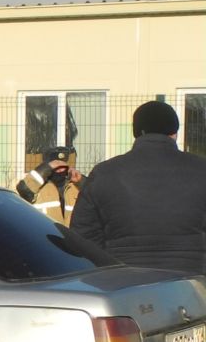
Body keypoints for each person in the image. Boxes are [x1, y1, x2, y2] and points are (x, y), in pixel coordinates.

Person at [68, 100, 206, 275]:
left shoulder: (105, 173)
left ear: (136, 133)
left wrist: (107, 272)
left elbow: (83, 236)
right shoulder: (201, 170)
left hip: (125, 283)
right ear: (175, 132)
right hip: (191, 283)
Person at [15, 144, 82, 225]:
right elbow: (23, 189)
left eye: (63, 165)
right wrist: (46, 167)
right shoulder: (38, 188)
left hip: (70, 236)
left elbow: (95, 195)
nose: (61, 170)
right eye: (56, 166)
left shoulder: (74, 188)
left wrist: (80, 180)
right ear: (48, 167)